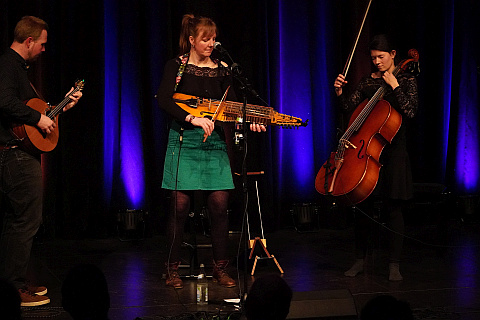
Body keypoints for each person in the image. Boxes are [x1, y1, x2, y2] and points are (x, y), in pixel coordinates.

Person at [156, 14, 265, 289]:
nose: (211, 43)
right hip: (183, 140)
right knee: (179, 206)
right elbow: (164, 100)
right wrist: (192, 118)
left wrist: (250, 121)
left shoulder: (224, 69)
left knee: (219, 205)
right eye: (205, 39)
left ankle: (220, 267)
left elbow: (235, 108)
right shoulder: (177, 67)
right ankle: (171, 270)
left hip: (214, 143)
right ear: (192, 40)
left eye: (213, 38)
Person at [0, 16, 82, 306]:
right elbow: (5, 102)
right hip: (15, 155)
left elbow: (37, 115)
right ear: (30, 40)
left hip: (20, 152)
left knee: (18, 222)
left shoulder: (19, 68)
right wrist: (38, 117)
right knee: (25, 222)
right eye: (43, 44)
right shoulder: (7, 64)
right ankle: (14, 288)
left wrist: (62, 106)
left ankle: (14, 283)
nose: (44, 50)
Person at [334, 34, 418, 281]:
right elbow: (350, 110)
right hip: (367, 153)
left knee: (394, 209)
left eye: (381, 57)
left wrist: (394, 86)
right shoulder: (367, 82)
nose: (377, 62)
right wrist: (339, 93)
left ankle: (394, 264)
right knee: (362, 208)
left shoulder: (406, 79)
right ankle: (360, 259)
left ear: (393, 54)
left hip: (395, 153)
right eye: (373, 58)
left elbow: (411, 111)